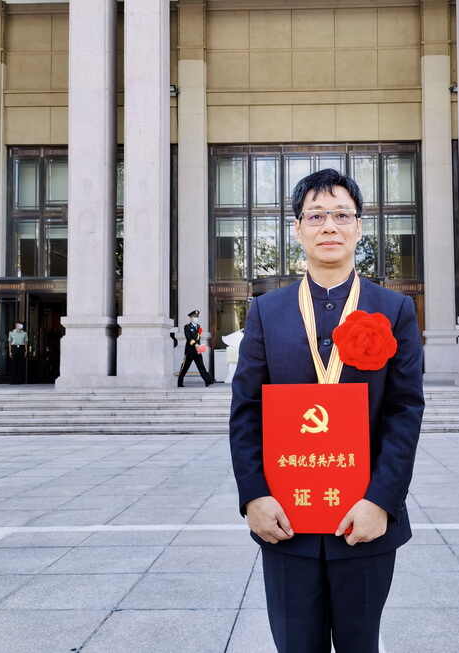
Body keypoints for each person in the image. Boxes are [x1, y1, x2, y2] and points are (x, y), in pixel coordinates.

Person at [230, 168, 424, 652]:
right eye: (316, 216)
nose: (329, 226)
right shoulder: (268, 311)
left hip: (363, 520)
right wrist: (254, 497)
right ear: (297, 228)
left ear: (359, 227)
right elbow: (247, 410)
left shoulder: (393, 309)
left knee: (361, 644)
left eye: (341, 214)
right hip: (286, 520)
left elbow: (404, 413)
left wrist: (381, 501)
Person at [177, 309, 214, 387]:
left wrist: (199, 346)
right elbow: (189, 338)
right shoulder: (187, 327)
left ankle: (208, 381)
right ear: (191, 318)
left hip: (197, 350)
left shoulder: (199, 327)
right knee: (185, 367)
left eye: (197, 317)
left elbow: (198, 338)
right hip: (189, 351)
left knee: (201, 366)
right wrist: (195, 344)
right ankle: (179, 382)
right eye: (194, 317)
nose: (196, 319)